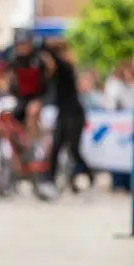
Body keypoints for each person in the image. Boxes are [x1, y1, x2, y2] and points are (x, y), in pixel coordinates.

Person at [37, 39, 95, 198]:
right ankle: (49, 181)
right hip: (63, 113)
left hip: (74, 114)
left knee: (73, 148)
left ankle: (89, 176)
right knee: (56, 147)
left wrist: (47, 48)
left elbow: (54, 61)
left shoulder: (66, 67)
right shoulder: (56, 70)